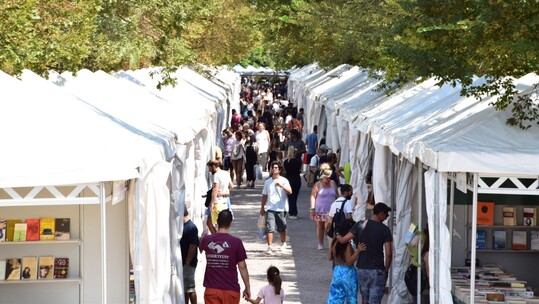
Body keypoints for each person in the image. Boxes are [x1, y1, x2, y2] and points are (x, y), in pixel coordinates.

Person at [336, 203, 393, 304]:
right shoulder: (385, 230)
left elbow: (343, 240)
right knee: (375, 301)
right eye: (386, 215)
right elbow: (388, 253)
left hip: (362, 268)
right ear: (381, 214)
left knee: (365, 300)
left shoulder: (360, 225)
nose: (386, 217)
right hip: (377, 269)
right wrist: (386, 269)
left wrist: (336, 234)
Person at [200, 210, 251, 304]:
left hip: (211, 289)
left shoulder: (207, 240)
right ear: (230, 223)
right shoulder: (236, 242)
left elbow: (199, 248)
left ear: (217, 221)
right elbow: (242, 267)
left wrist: (202, 237)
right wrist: (247, 287)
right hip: (231, 290)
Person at [260, 161, 293, 255]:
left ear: (280, 170)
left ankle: (283, 243)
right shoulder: (268, 182)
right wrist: (262, 207)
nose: (274, 169)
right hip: (270, 207)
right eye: (272, 167)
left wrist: (281, 186)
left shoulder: (284, 180)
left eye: (276, 167)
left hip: (281, 208)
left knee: (282, 227)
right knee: (270, 228)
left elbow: (290, 192)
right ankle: (269, 247)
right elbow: (264, 195)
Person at [327, 238, 366, 304]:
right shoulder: (347, 245)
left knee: (335, 297)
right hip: (348, 273)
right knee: (351, 297)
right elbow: (349, 262)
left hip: (337, 272)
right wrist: (357, 251)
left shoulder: (334, 242)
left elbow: (330, 257)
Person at [310, 165, 338, 250]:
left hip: (331, 210)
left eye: (329, 178)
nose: (328, 180)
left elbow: (337, 195)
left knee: (329, 226)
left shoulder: (333, 183)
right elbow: (313, 196)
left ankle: (331, 244)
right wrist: (312, 208)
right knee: (320, 226)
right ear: (322, 177)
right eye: (326, 178)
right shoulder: (318, 184)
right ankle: (320, 243)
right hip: (320, 209)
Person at [206, 159, 234, 234]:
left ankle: (217, 238)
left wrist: (212, 203)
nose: (209, 170)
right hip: (225, 202)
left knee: (212, 223)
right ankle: (219, 238)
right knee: (221, 223)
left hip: (217, 202)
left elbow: (215, 189)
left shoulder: (216, 175)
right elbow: (231, 186)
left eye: (210, 168)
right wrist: (225, 192)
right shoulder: (226, 173)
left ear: (214, 167)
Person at [181, 208, 199, 304]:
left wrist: (187, 261)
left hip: (189, 263)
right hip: (185, 262)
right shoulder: (184, 226)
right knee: (186, 288)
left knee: (190, 288)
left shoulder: (191, 227)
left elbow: (193, 245)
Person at [283, 147, 302, 219]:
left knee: (290, 196)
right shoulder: (298, 161)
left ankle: (292, 212)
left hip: (289, 180)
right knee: (295, 196)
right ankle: (293, 211)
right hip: (297, 179)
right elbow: (299, 168)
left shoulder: (286, 162)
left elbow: (285, 171)